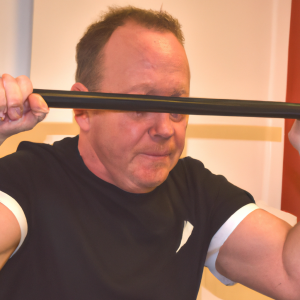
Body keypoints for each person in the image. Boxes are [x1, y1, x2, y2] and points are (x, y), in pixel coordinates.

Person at [0, 6, 299, 300]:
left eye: (177, 107)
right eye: (140, 106)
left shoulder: (196, 190)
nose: (164, 128)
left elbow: (292, 276)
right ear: (83, 109)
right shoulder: (29, 180)